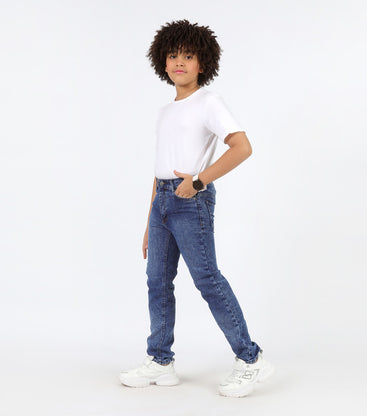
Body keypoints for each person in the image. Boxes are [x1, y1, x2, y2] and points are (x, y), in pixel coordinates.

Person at [119, 19, 274, 398]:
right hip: (162, 202)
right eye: (173, 55)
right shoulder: (165, 111)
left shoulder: (209, 102)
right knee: (157, 281)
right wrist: (150, 221)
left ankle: (251, 358)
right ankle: (161, 360)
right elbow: (160, 168)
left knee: (207, 280)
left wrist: (199, 181)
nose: (179, 62)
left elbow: (242, 147)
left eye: (188, 56)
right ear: (162, 61)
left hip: (191, 200)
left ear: (202, 62)